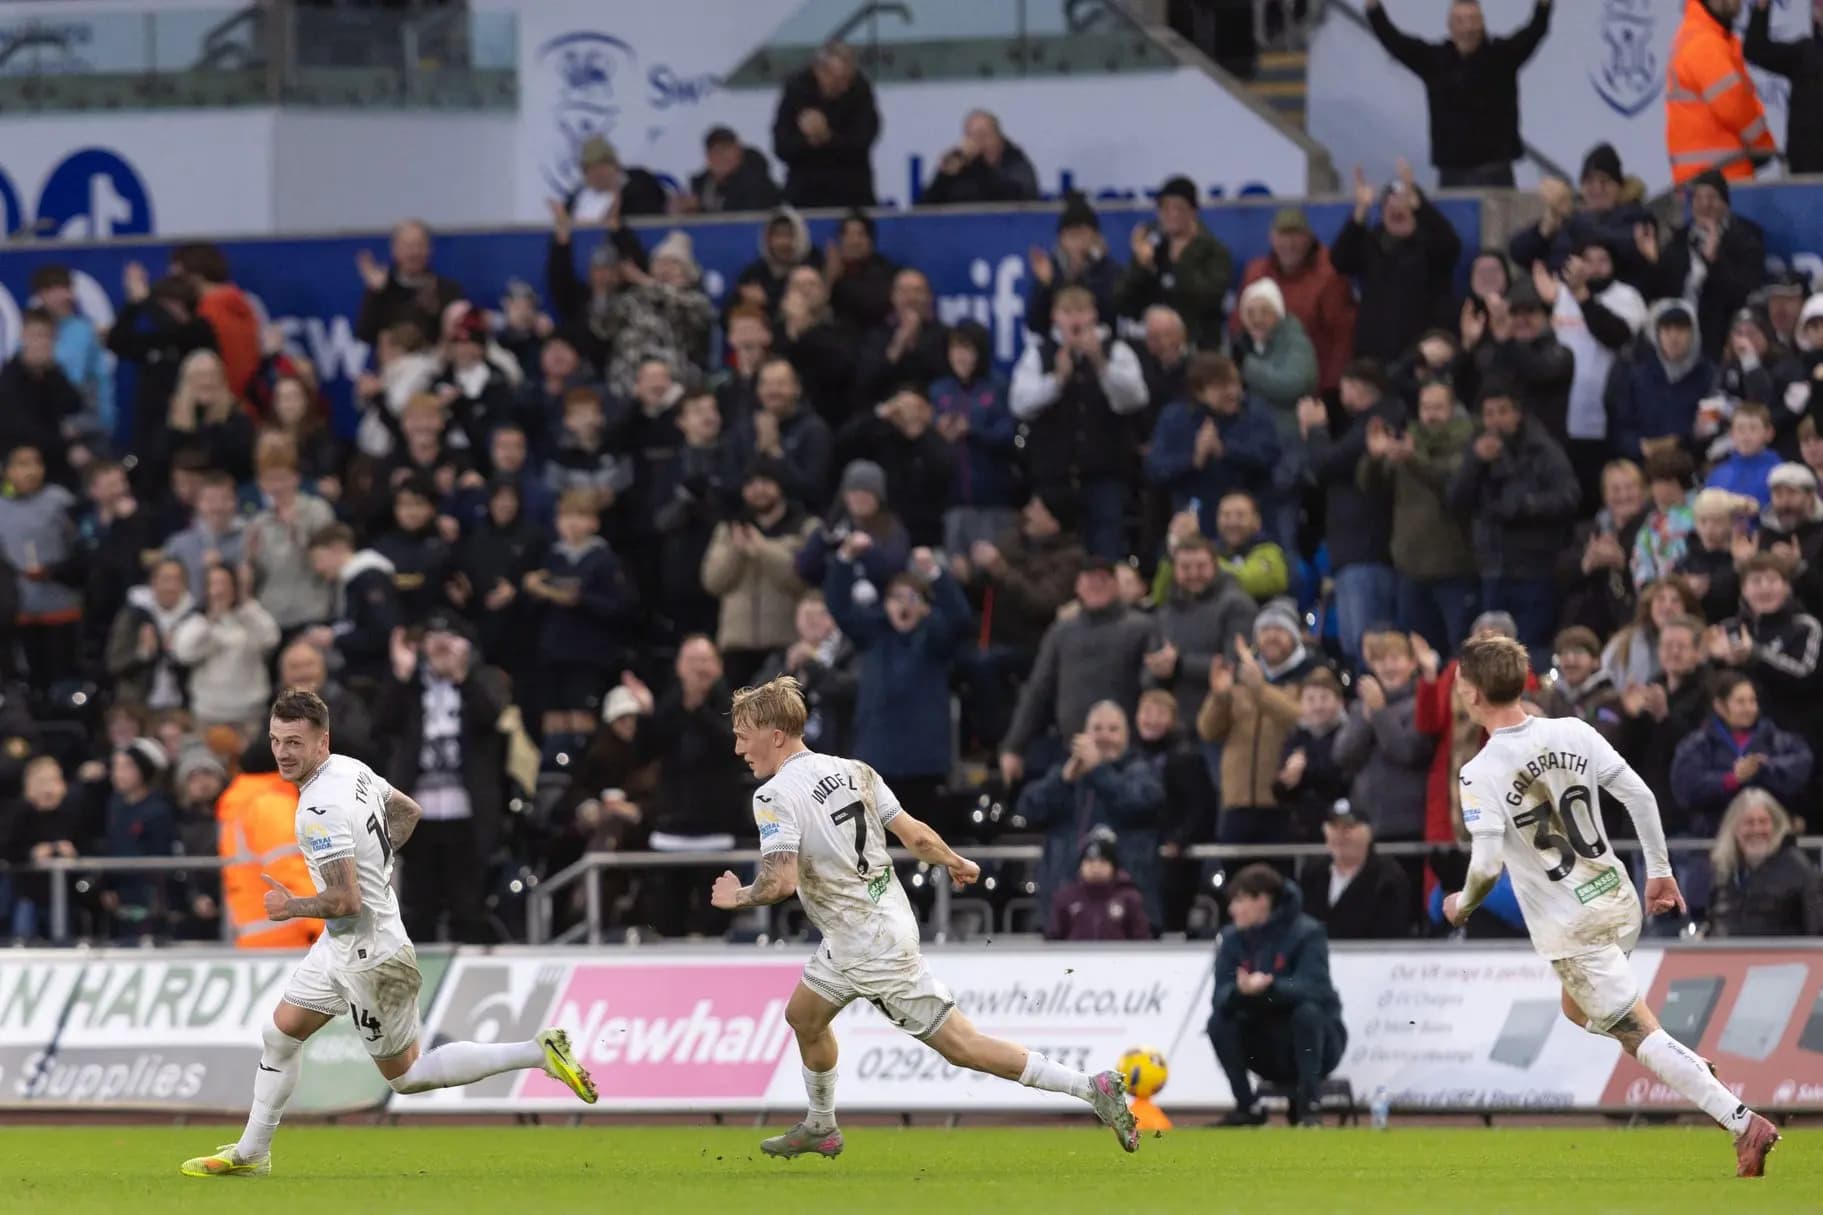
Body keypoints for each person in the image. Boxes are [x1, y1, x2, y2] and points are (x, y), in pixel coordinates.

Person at [709, 676, 1141, 1158]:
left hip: (870, 946)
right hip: (871, 923)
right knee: (804, 1017)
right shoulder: (855, 770)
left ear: (775, 734)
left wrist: (739, 895)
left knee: (963, 1046)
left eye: (744, 734)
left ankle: (1091, 1087)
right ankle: (820, 1125)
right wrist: (955, 860)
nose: (737, 747)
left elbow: (780, 883)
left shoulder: (773, 796)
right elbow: (914, 836)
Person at [178, 689, 595, 1179]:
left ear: (321, 741)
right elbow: (408, 812)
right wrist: (374, 862)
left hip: (371, 957)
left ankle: (537, 1052)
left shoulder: (318, 811)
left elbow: (346, 900)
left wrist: (291, 906)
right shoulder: (351, 769)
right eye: (275, 740)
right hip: (341, 944)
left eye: (294, 742)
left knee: (408, 1076)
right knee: (280, 1033)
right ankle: (253, 1153)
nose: (283, 752)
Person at [1445, 635, 1779, 1177]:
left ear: (1473, 693)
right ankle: (1685, 1064)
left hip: (1573, 928)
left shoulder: (1479, 773)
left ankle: (1740, 1120)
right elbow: (1640, 796)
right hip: (1617, 899)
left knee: (1639, 1036)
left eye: (1461, 684)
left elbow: (1485, 867)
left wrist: (1462, 905)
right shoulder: (1571, 731)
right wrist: (1661, 872)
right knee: (1576, 1010)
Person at [374, 617, 511, 944]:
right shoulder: (410, 687)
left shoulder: (484, 679)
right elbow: (381, 726)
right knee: (419, 907)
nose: (439, 647)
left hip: (468, 812)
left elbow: (490, 718)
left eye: (448, 639)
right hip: (418, 814)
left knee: (469, 906)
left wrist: (462, 676)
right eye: (432, 638)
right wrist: (401, 677)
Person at [1010, 286, 1150, 559]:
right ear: (1055, 317)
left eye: (1081, 312)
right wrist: (1056, 380)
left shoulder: (1116, 349)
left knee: (1105, 555)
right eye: (1067, 312)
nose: (1075, 320)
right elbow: (1020, 404)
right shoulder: (1038, 354)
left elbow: (1135, 399)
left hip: (1106, 477)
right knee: (1052, 557)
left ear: (1094, 316)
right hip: (1054, 478)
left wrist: (1100, 363)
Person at [1449, 382, 1580, 668]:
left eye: (1502, 412)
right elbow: (1456, 499)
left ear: (1518, 414)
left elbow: (1569, 496)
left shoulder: (1542, 449)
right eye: (1489, 413)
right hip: (1491, 569)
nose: (1495, 420)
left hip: (1534, 569)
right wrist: (1475, 462)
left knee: (1529, 651)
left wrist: (1527, 505)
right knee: (1491, 653)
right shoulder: (1477, 450)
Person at [1208, 864, 1348, 1128]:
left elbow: (1316, 988)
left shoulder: (1308, 932)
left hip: (1319, 1044)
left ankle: (1310, 1107)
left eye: (1239, 901)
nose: (1232, 910)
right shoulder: (1231, 939)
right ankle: (1247, 1107)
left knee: (1307, 1013)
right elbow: (1219, 997)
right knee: (1219, 1021)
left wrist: (1271, 987)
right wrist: (1241, 991)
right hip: (1265, 1047)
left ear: (1262, 900)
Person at [998, 558, 1155, 790]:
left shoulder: (1142, 627)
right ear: (1077, 587)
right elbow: (1038, 691)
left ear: (1116, 585)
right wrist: (1014, 746)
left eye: (1103, 580)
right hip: (1070, 750)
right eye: (1089, 580)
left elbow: (1153, 688)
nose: (1095, 586)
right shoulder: (1061, 632)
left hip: (1128, 755)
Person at [1363, 0, 1553, 188]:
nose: (1468, 28)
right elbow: (1395, 42)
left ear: (1482, 23)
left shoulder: (1502, 56)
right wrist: (1374, 9)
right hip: (1451, 173)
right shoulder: (1435, 61)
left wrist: (1543, 6)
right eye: (1460, 21)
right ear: (1450, 26)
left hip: (1496, 172)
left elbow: (1535, 30)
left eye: (1473, 20)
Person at [1017, 699, 1165, 929]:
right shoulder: (1067, 774)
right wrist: (1063, 780)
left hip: (1128, 916)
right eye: (1097, 729)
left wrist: (1098, 770)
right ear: (1083, 735)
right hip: (1065, 913)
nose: (1104, 736)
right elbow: (1028, 809)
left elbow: (1140, 803)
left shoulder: (1141, 771)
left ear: (1127, 736)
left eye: (1113, 729)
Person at [1362, 377, 1477, 655]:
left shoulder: (1466, 442)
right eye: (1426, 407)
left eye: (1438, 407)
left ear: (1452, 409)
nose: (1431, 414)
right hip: (1410, 568)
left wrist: (1413, 460)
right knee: (1415, 651)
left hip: (1454, 568)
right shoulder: (1405, 440)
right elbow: (1369, 487)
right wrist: (1375, 459)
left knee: (1460, 652)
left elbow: (1453, 484)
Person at [1305, 361, 1405, 668]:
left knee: (1369, 646)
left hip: (1366, 550)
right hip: (1353, 551)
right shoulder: (1363, 423)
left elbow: (1326, 463)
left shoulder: (1376, 422)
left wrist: (1316, 429)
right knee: (1355, 643)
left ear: (1360, 387)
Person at [1198, 603, 1323, 847]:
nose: (1272, 636)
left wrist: (1260, 689)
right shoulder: (1239, 680)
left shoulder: (1310, 676)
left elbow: (1306, 720)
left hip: (1283, 803)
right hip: (1237, 802)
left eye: (1280, 630)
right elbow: (1208, 730)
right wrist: (1220, 697)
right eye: (1266, 630)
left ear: (1295, 637)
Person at [1332, 161, 1463, 365]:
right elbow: (1340, 261)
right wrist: (1359, 212)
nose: (1396, 209)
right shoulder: (1371, 242)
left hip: (1422, 355)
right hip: (1374, 355)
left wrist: (1421, 206)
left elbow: (1450, 245)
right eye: (1390, 206)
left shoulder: (1432, 245)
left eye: (1404, 205)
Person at [1145, 352, 1279, 543]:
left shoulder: (1255, 413)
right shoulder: (1175, 418)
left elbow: (1270, 456)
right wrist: (1193, 459)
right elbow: (1155, 469)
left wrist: (1225, 451)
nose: (1233, 393)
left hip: (1248, 526)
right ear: (1200, 391)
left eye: (1236, 384)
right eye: (1222, 387)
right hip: (1195, 523)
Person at [1638, 171, 1767, 362]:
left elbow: (1742, 292)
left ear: (1725, 203)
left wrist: (1714, 260)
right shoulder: (1679, 240)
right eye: (1698, 198)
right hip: (1680, 335)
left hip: (1721, 339)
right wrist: (1653, 260)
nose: (1705, 205)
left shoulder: (1746, 239)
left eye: (1712, 198)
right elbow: (1660, 291)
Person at [1232, 207, 1358, 394]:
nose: (1289, 244)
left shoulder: (1330, 274)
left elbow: (1342, 335)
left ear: (1309, 238)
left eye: (1296, 236)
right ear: (1272, 238)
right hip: (1260, 382)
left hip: (1312, 384)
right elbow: (1238, 325)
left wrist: (1332, 388)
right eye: (1283, 236)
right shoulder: (1256, 272)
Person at [1670, 668, 1813, 829]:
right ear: (1720, 706)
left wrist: (1763, 768)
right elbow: (1686, 787)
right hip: (1713, 835)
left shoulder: (1775, 739)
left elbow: (1801, 764)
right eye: (1741, 702)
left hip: (1769, 834)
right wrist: (1731, 779)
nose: (1749, 708)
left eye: (1752, 701)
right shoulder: (1697, 744)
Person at [1333, 629, 1434, 844]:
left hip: (1408, 823)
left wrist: (1379, 713)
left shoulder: (1420, 704)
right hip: (1365, 822)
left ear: (1412, 663)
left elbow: (1409, 751)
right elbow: (1342, 756)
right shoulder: (1362, 706)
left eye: (1395, 659)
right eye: (1380, 660)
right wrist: (1366, 719)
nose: (1388, 666)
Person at [1145, 537, 1258, 724]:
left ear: (1215, 565)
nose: (1194, 574)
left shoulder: (1237, 605)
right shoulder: (1166, 610)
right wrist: (1157, 670)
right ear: (1174, 570)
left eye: (1201, 566)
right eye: (1186, 568)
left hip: (1222, 719)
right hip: (1174, 722)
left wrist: (1180, 665)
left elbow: (1235, 666)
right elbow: (1149, 668)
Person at [1666, 0, 1776, 186]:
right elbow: (1735, 107)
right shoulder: (1705, 42)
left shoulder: (1704, 36)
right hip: (1719, 180)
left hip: (1709, 180)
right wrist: (1763, 147)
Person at [1118, 176, 1232, 350]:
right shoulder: (1152, 248)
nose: (1172, 215)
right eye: (1165, 208)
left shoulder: (1214, 252)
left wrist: (1183, 260)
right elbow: (1124, 303)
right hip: (1151, 346)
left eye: (1179, 208)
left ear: (1193, 212)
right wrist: (1142, 266)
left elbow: (1207, 300)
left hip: (1197, 345)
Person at [170, 564, 282, 734]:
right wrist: (210, 621)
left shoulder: (251, 615)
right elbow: (184, 653)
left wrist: (246, 603)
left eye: (224, 583)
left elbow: (271, 639)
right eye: (214, 584)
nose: (219, 590)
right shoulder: (197, 621)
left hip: (250, 713)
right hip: (209, 714)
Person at [772, 41, 880, 208]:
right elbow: (781, 147)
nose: (843, 87)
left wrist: (827, 137)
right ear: (819, 71)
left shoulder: (860, 91)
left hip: (852, 193)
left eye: (847, 80)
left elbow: (863, 140)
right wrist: (808, 141)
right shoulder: (796, 91)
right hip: (804, 194)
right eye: (837, 79)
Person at [1607, 302, 1717, 462]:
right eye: (1666, 329)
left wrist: (1679, 442)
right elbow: (1620, 427)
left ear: (1693, 333)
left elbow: (1711, 429)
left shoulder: (1710, 375)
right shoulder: (1637, 374)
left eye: (1681, 329)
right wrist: (1640, 447)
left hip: (1692, 465)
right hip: (1644, 465)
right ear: (1656, 334)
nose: (1673, 337)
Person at [1706, 788, 1823, 937]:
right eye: (1749, 823)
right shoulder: (1724, 869)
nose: (1757, 830)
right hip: (1725, 957)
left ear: (1776, 826)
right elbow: (1712, 922)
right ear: (1734, 829)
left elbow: (1817, 929)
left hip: (1780, 957)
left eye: (1763, 822)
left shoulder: (1800, 868)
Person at [1298, 807, 1414, 941]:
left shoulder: (1389, 877)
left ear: (1369, 833)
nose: (1340, 835)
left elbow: (1392, 932)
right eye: (1334, 827)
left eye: (1348, 827)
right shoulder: (1312, 873)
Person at [353, 220, 466, 347]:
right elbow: (364, 335)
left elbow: (461, 339)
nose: (414, 253)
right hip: (393, 364)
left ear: (430, 249)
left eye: (420, 245)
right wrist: (375, 294)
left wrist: (435, 311)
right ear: (394, 249)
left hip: (435, 362)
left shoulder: (447, 289)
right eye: (408, 246)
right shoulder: (383, 289)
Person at [1744, 0, 1823, 175]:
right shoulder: (1804, 54)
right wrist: (1762, 7)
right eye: (1819, 5)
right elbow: (1755, 49)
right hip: (1806, 171)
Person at [1046, 830, 1151, 942]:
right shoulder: (1065, 898)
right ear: (1081, 866)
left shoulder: (1130, 898)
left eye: (1103, 861)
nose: (1096, 867)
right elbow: (1053, 938)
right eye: (1090, 861)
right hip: (1075, 958)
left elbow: (1141, 938)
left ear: (1113, 867)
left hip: (1118, 958)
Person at [921, 109, 1039, 206]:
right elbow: (924, 209)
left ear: (998, 137)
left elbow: (1020, 201)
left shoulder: (1016, 162)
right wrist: (944, 177)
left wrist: (981, 167)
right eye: (970, 136)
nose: (977, 143)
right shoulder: (959, 162)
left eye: (983, 135)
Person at [687, 125, 782, 214]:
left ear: (739, 152)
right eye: (716, 151)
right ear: (708, 157)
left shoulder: (759, 184)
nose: (722, 156)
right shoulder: (701, 185)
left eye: (726, 149)